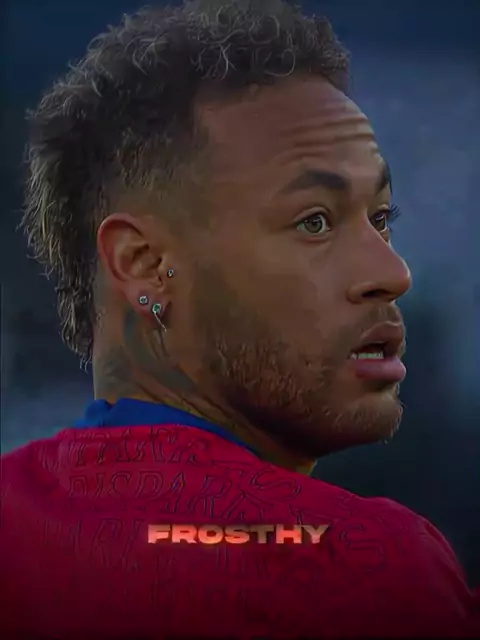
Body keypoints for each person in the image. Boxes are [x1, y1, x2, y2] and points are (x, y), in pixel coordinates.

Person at [1, 0, 478, 637]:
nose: (392, 272)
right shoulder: (378, 572)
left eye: (381, 219)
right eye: (315, 221)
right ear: (145, 265)